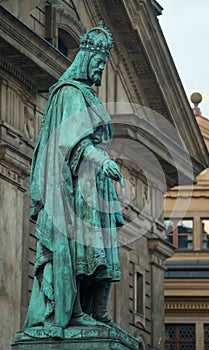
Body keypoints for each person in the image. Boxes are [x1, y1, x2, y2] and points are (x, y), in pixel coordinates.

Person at [23, 21, 124, 340]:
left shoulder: (88, 96)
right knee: (82, 249)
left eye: (104, 64)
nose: (101, 69)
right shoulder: (69, 93)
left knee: (105, 249)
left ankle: (99, 313)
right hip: (78, 185)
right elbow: (73, 141)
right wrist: (103, 159)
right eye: (99, 62)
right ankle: (74, 312)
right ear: (86, 59)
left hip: (97, 185)